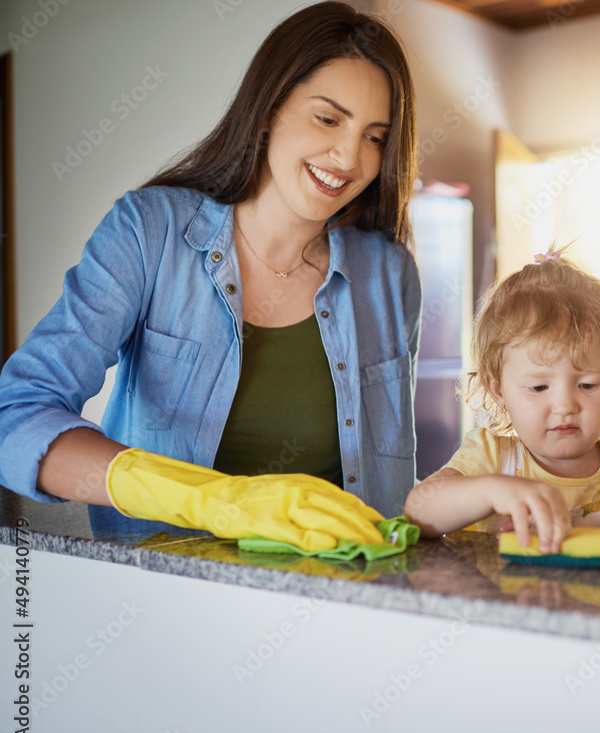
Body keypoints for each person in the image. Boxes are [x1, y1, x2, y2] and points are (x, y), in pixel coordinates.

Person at [0, 2, 421, 550]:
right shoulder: (148, 232)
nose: (348, 156)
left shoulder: (390, 275)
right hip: (164, 596)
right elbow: (15, 418)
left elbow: (393, 482)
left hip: (339, 599)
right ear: (269, 109)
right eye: (328, 118)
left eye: (375, 136)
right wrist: (209, 498)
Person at [404, 249, 600, 553]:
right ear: (498, 389)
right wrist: (494, 492)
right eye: (538, 387)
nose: (564, 406)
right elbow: (417, 511)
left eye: (587, 384)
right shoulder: (492, 459)